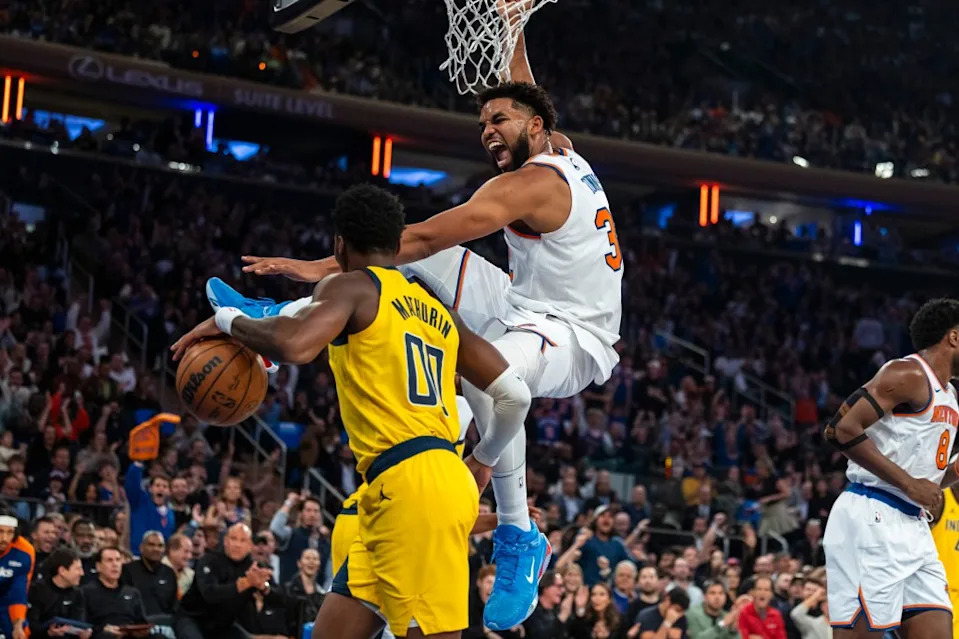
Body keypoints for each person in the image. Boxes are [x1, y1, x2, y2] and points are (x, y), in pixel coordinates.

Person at [207, 15, 622, 629]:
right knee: (440, 270)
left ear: (533, 129)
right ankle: (282, 323)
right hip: (521, 299)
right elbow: (523, 86)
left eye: (498, 122)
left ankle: (518, 535)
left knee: (489, 376)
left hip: (573, 334)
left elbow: (419, 236)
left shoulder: (527, 186)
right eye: (482, 123)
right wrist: (511, 24)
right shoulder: (556, 145)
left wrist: (317, 265)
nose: (487, 132)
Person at [172, 184, 533, 639]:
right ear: (397, 243)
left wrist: (227, 320)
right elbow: (515, 397)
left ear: (339, 243)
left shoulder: (352, 286)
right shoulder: (439, 310)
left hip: (412, 486)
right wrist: (483, 459)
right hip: (399, 488)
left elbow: (294, 344)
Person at [822, 298, 959, 638]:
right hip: (871, 514)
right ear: (953, 337)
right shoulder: (907, 373)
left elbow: (930, 481)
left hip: (913, 525)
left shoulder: (951, 395)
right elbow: (840, 429)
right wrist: (910, 484)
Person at [173, 523, 276, 639]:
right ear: (226, 541)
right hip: (194, 618)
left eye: (243, 540)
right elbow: (209, 594)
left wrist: (264, 587)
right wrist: (246, 583)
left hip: (224, 625)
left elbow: (279, 598)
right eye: (233, 539)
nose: (237, 545)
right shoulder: (208, 560)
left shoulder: (255, 567)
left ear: (250, 545)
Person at [81, 547, 148, 639]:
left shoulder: (132, 592)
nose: (115, 564)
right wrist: (102, 629)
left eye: (118, 560)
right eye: (109, 560)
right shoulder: (86, 592)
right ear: (98, 566)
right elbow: (83, 625)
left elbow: (142, 622)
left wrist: (138, 631)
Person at [27, 548, 91, 639]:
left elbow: (79, 622)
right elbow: (31, 626)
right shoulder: (37, 590)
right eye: (78, 569)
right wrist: (48, 633)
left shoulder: (77, 593)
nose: (82, 573)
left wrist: (83, 633)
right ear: (62, 571)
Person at [120, 531, 177, 617]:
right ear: (141, 547)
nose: (156, 549)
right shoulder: (127, 570)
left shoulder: (169, 573)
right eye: (151, 545)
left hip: (165, 624)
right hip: (137, 623)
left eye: (160, 545)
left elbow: (173, 606)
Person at [0, 512, 34, 639]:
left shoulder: (24, 551)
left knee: (22, 632)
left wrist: (18, 625)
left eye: (10, 532)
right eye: (0, 531)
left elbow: (18, 592)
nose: (4, 538)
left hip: (6, 602)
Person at [124, 464, 175, 549]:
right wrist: (137, 466)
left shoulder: (170, 513)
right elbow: (132, 486)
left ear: (169, 491)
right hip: (138, 555)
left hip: (160, 556)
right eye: (157, 485)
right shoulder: (139, 502)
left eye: (165, 486)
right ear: (150, 489)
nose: (161, 489)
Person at [522, 571, 568, 639]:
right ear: (546, 587)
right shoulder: (531, 609)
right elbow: (539, 634)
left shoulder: (559, 609)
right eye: (559, 586)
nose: (563, 590)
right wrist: (561, 619)